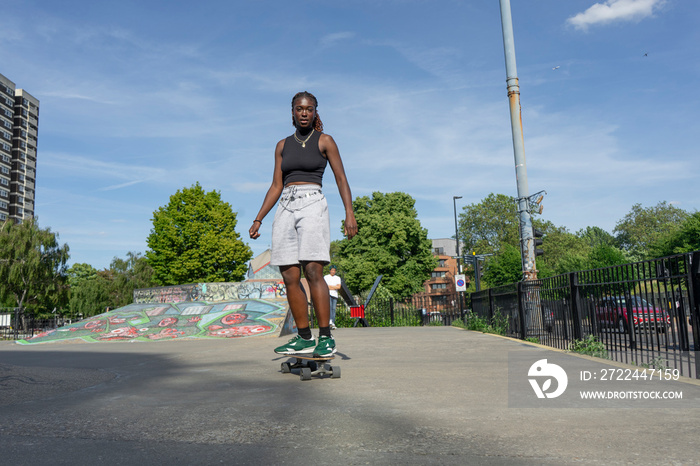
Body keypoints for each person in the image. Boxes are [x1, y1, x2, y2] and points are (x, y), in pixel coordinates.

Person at [249, 91, 357, 357]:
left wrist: (349, 213)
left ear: (315, 111)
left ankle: (326, 338)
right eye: (299, 109)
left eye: (309, 109)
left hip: (312, 203)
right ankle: (304, 337)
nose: (304, 113)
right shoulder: (282, 146)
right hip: (285, 204)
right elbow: (276, 185)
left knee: (313, 270)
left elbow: (341, 179)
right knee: (289, 275)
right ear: (292, 112)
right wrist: (259, 217)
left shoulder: (325, 141)